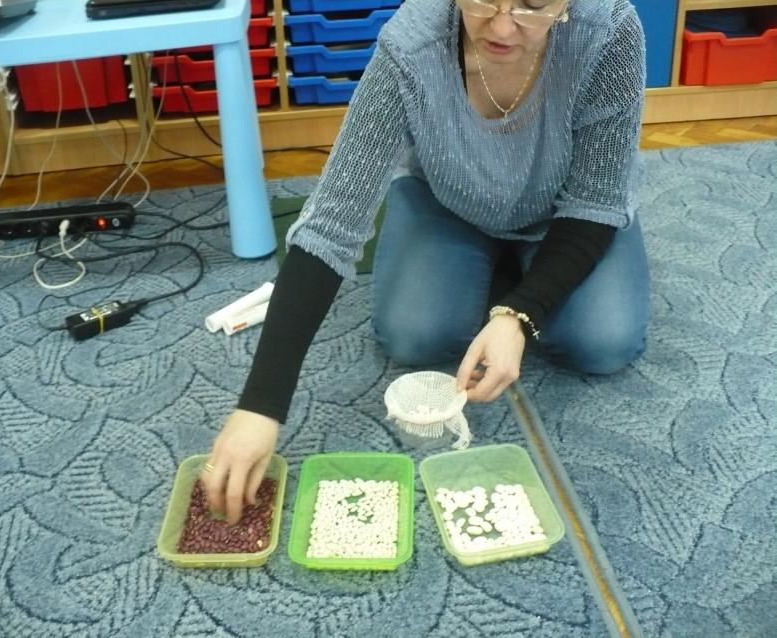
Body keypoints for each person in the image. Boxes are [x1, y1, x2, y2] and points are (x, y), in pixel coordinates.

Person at [202, 0, 650, 523]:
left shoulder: (609, 31)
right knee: (416, 337)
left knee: (601, 342)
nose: (502, 26)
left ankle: (513, 280)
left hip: (566, 215)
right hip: (449, 202)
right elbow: (331, 223)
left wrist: (519, 314)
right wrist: (260, 405)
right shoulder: (412, 42)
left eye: (532, 5)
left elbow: (595, 201)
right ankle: (503, 271)